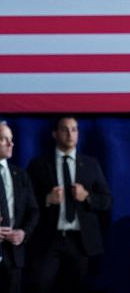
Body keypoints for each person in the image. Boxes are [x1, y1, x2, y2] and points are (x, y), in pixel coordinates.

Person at [26, 115, 113, 293]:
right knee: (39, 286)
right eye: (64, 129)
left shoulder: (90, 164)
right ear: (54, 134)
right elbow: (24, 202)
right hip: (48, 241)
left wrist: (87, 197)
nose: (70, 134)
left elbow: (107, 200)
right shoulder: (39, 164)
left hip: (80, 242)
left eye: (74, 129)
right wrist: (46, 199)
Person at [0, 121, 39, 293]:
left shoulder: (20, 175)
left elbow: (33, 211)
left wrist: (24, 233)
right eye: (4, 139)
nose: (11, 144)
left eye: (11, 139)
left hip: (14, 256)